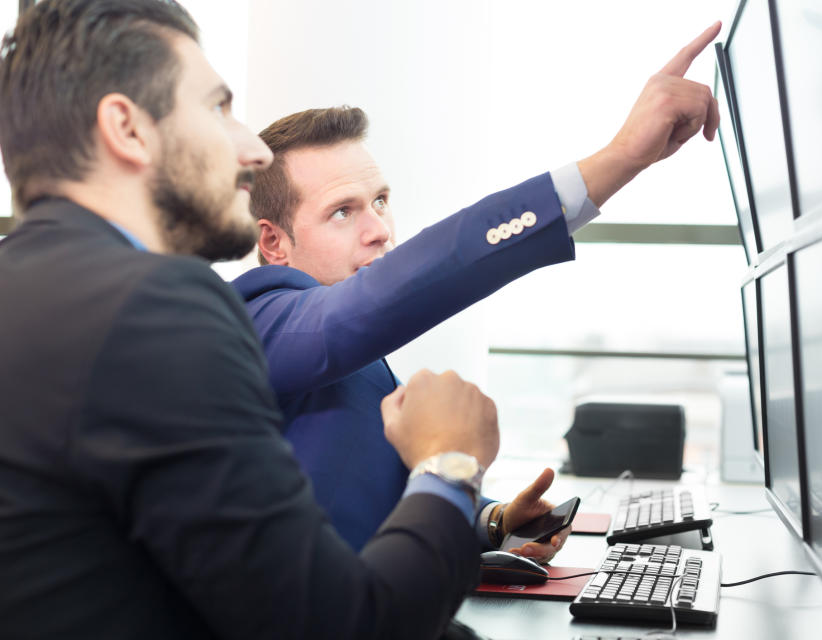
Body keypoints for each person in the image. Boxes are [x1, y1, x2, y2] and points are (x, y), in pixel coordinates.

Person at [0, 2, 500, 638]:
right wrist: (450, 464)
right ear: (127, 128)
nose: (253, 148)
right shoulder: (157, 307)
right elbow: (340, 626)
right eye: (217, 108)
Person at [234, 25, 721, 557]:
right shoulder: (255, 324)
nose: (379, 229)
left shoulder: (362, 361)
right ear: (274, 243)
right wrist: (621, 157)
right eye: (342, 211)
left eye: (379, 201)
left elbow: (388, 506)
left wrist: (495, 521)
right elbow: (394, 290)